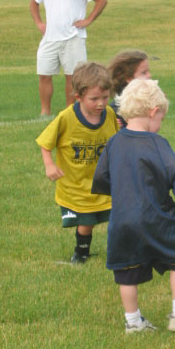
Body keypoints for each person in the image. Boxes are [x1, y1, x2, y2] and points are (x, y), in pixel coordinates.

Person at [91, 79, 175, 334]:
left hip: (122, 220)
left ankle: (133, 323)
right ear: (153, 112)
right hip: (157, 216)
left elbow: (102, 177)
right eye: (161, 119)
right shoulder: (157, 142)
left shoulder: (113, 142)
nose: (160, 125)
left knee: (125, 270)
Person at [36, 62, 118, 264]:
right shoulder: (66, 118)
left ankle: (121, 251)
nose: (101, 103)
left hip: (104, 183)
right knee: (86, 221)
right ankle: (80, 254)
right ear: (78, 97)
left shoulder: (110, 115)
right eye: (94, 99)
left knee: (119, 216)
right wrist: (49, 165)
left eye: (105, 97)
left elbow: (118, 140)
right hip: (76, 185)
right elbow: (45, 143)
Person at [30, 0, 108, 116]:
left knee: (72, 77)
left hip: (74, 37)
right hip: (50, 37)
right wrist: (39, 23)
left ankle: (70, 112)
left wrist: (88, 20)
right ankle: (45, 112)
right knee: (44, 74)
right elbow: (34, 2)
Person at [107, 49, 152, 128]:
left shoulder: (143, 101)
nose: (149, 75)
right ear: (128, 78)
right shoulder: (118, 109)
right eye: (143, 73)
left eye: (148, 71)